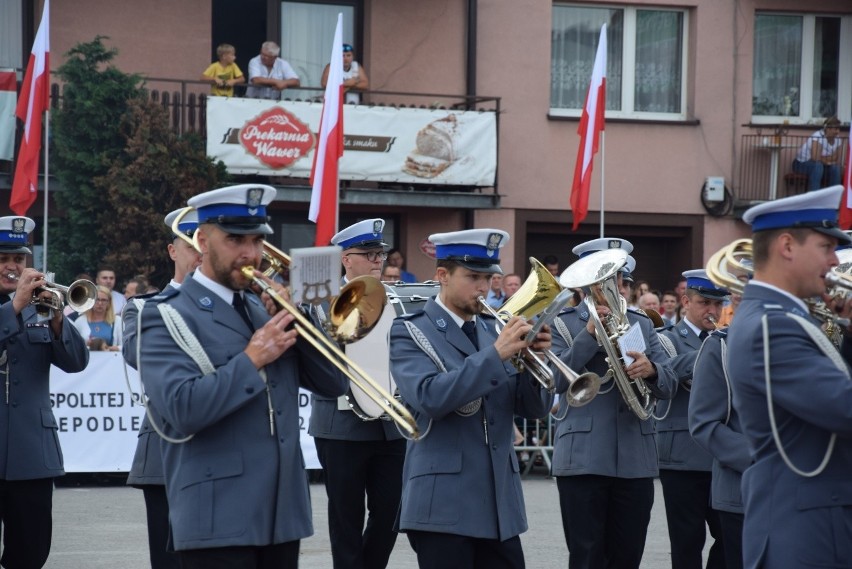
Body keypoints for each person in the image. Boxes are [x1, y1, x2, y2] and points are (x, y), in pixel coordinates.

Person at [137, 184, 347, 568]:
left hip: (282, 515)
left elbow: (334, 384)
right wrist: (251, 359)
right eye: (235, 239)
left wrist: (299, 322)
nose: (250, 253)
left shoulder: (263, 306)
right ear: (202, 240)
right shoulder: (165, 314)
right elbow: (182, 410)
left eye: (256, 240)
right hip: (216, 517)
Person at [389, 228, 554, 569]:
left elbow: (533, 409)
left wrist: (536, 364)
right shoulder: (411, 330)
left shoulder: (493, 331)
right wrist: (496, 355)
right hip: (444, 505)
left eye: (488, 277)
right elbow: (430, 397)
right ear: (442, 276)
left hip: (499, 505)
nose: (483, 287)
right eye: (473, 277)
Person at [725, 184, 852, 568]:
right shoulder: (771, 325)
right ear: (787, 246)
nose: (835, 261)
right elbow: (845, 408)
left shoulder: (783, 316)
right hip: (804, 530)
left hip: (811, 520)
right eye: (826, 247)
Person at [550, 237, 677, 569]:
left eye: (623, 281)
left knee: (628, 555)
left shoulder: (643, 323)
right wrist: (589, 336)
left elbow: (669, 383)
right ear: (588, 283)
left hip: (635, 458)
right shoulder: (562, 323)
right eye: (611, 280)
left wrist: (651, 372)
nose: (619, 288)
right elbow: (554, 381)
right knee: (586, 556)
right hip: (583, 458)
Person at [309, 218, 404, 569]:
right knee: (346, 519)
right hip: (342, 424)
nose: (377, 259)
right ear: (346, 259)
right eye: (368, 253)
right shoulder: (321, 301)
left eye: (379, 253)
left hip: (389, 425)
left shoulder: (398, 299)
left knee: (390, 514)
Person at [0, 216, 89, 569]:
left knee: (31, 552)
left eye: (19, 260)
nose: (13, 267)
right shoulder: (20, 305)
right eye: (4, 259)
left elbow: (77, 362)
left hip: (31, 452)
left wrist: (57, 321)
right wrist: (15, 307)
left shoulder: (42, 306)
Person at [122, 208, 202, 569]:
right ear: (173, 252)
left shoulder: (238, 307)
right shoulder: (143, 307)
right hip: (165, 445)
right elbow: (138, 355)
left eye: (207, 244)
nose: (200, 254)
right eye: (191, 245)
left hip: (225, 446)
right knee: (167, 559)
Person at [657, 269, 727, 569]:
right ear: (686, 301)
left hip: (723, 454)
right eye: (703, 303)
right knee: (686, 543)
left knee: (730, 536)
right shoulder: (666, 339)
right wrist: (711, 350)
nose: (712, 311)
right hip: (682, 457)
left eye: (717, 304)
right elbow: (663, 373)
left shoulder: (728, 340)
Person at [689, 272, 753, 569]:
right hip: (742, 491)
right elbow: (704, 423)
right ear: (738, 298)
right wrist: (763, 457)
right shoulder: (721, 346)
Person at [792, 116, 843, 192]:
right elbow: (815, 157)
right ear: (828, 129)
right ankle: (814, 197)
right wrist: (827, 159)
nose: (838, 132)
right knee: (817, 166)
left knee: (835, 168)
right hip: (801, 164)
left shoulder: (838, 140)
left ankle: (833, 198)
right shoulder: (818, 136)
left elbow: (836, 158)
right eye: (835, 129)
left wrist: (822, 158)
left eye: (839, 129)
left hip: (822, 165)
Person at [73, 285, 123, 351]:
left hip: (111, 359)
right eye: (97, 299)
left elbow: (126, 346)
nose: (100, 303)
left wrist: (114, 348)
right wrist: (86, 344)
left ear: (109, 302)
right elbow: (73, 346)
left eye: (104, 300)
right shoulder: (80, 322)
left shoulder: (117, 321)